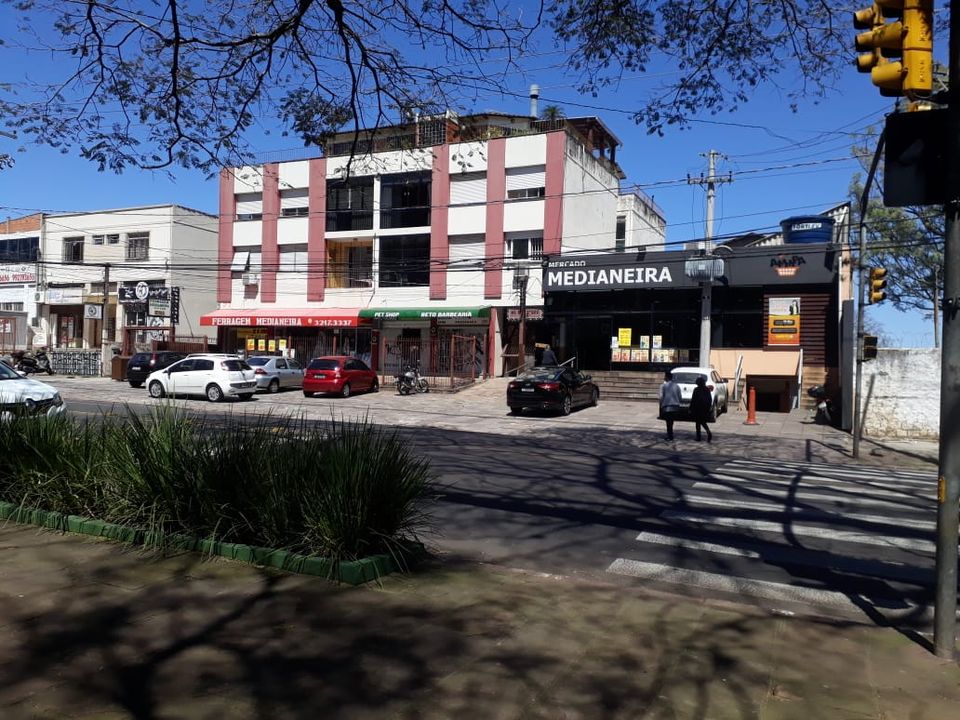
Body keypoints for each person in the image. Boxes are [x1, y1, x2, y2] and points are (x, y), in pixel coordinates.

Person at [658, 370, 682, 441]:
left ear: (667, 377)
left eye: (665, 376)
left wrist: (661, 405)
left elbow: (661, 397)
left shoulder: (663, 386)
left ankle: (670, 435)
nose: (664, 378)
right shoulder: (677, 386)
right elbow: (680, 396)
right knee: (671, 421)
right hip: (675, 406)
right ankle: (670, 434)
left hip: (667, 406)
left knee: (668, 422)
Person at [690, 375, 714, 443]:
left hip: (698, 408)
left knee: (698, 422)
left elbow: (693, 400)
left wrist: (691, 408)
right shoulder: (707, 389)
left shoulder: (696, 389)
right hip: (705, 408)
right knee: (702, 421)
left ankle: (699, 436)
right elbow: (710, 399)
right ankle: (706, 432)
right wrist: (709, 407)